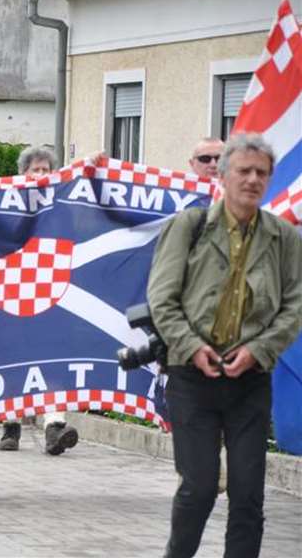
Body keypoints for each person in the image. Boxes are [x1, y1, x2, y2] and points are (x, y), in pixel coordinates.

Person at [148, 133, 302, 558]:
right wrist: (193, 347)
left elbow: (294, 306)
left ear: (269, 179)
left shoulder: (283, 238)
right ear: (224, 175)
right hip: (192, 378)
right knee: (199, 489)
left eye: (261, 173)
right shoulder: (188, 227)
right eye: (244, 171)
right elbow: (162, 299)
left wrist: (259, 350)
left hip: (250, 381)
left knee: (249, 495)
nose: (252, 180)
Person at [0, 146, 80, 457]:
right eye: (36, 170)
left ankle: (54, 427)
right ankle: (11, 424)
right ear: (23, 173)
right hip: (14, 292)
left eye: (46, 170)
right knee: (12, 358)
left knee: (53, 358)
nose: (41, 175)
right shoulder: (8, 203)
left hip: (51, 291)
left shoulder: (62, 208)